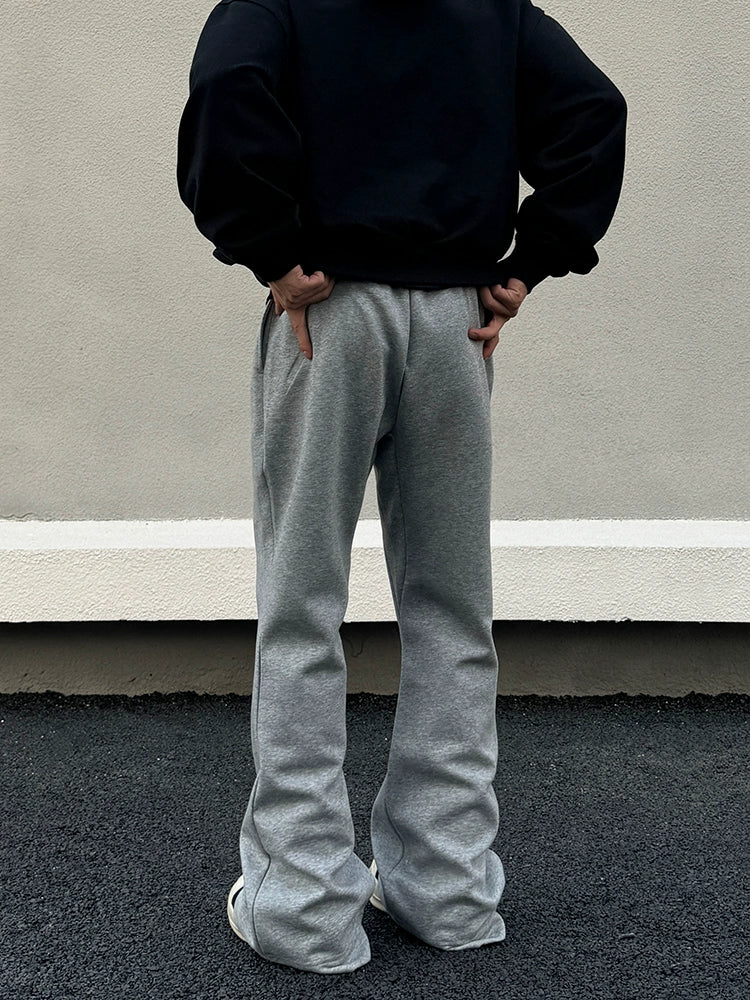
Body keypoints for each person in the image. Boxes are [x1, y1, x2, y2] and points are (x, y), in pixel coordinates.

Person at [177, 0, 626, 975]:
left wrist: (269, 249)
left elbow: (225, 89)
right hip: (454, 320)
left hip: (329, 312)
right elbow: (594, 112)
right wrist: (528, 264)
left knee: (302, 608)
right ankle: (448, 888)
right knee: (452, 611)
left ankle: (303, 909)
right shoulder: (492, 8)